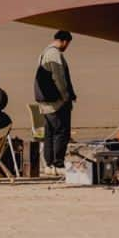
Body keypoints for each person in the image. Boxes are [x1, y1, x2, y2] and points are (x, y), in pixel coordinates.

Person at [34, 30, 76, 172]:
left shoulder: (43, 53)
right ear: (64, 41)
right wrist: (66, 97)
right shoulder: (54, 54)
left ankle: (49, 164)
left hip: (46, 102)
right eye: (68, 44)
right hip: (55, 102)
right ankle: (58, 164)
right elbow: (59, 79)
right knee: (61, 132)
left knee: (50, 133)